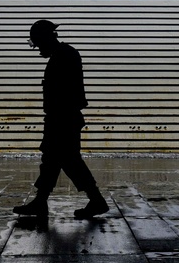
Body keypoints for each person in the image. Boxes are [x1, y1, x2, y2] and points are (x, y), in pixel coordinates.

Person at [13, 19, 108, 219]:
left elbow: (64, 92)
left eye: (38, 43)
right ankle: (41, 202)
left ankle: (96, 200)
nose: (38, 49)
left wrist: (57, 117)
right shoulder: (63, 54)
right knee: (52, 161)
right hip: (62, 117)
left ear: (46, 38)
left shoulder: (64, 55)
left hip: (63, 118)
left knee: (69, 161)